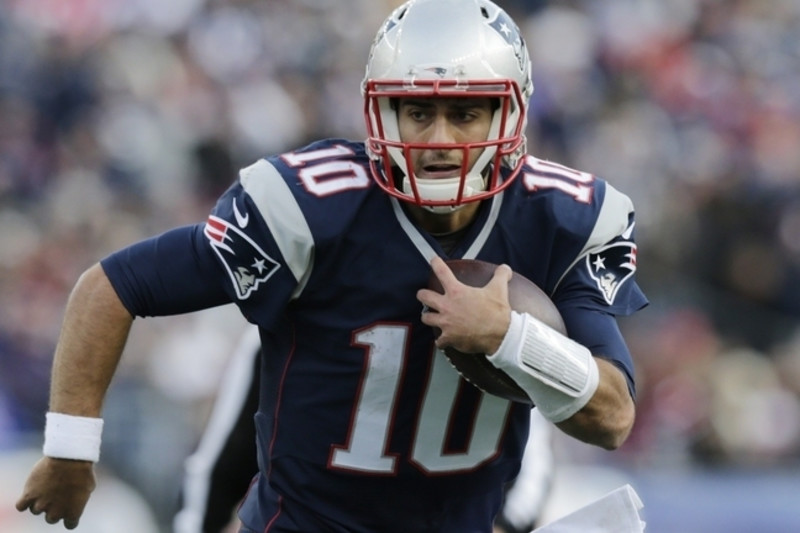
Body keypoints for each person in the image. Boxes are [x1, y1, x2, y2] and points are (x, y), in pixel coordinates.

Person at [16, 0, 648, 531]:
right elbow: (114, 285)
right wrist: (71, 451)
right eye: (417, 110)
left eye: (465, 112)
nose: (437, 139)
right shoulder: (309, 207)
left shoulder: (560, 218)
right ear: (381, 111)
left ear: (508, 114)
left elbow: (614, 417)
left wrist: (510, 338)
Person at [173, 328, 555, 533]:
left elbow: (531, 471)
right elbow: (220, 470)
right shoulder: (284, 327)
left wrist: (502, 526)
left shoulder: (492, 331)